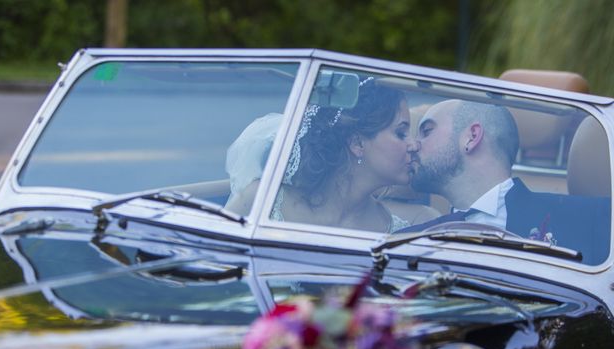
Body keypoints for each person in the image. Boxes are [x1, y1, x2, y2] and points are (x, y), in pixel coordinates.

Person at [403, 99, 610, 264]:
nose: (412, 145)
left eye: (427, 131)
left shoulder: (594, 219)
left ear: (472, 137)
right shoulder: (406, 241)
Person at [261, 77, 436, 232]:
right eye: (400, 133)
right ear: (357, 144)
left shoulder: (402, 231)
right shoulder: (264, 200)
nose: (414, 145)